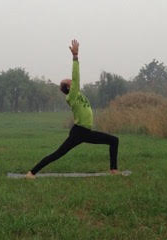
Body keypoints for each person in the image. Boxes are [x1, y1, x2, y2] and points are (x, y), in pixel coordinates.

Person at [26, 39, 119, 179]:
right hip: (79, 132)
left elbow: (76, 81)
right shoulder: (72, 96)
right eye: (68, 81)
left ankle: (113, 170)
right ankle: (31, 173)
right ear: (69, 87)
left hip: (85, 131)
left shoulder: (77, 94)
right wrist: (75, 57)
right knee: (58, 154)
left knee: (114, 140)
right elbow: (76, 77)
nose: (70, 80)